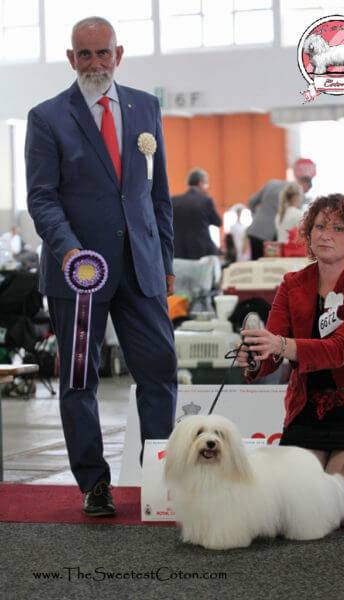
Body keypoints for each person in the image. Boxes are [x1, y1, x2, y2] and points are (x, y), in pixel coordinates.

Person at [25, 17, 177, 516]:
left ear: (119, 53)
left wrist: (167, 263)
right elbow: (42, 198)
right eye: (84, 54)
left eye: (103, 53)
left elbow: (158, 195)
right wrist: (70, 252)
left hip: (143, 269)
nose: (95, 63)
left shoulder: (146, 107)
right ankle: (94, 484)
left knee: (159, 372)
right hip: (79, 275)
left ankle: (159, 479)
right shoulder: (47, 117)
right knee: (79, 381)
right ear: (71, 59)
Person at [238, 193, 344, 522]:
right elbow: (273, 354)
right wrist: (256, 357)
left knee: (334, 512)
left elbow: (342, 348)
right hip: (308, 414)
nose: (325, 233)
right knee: (291, 511)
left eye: (338, 228)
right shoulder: (292, 284)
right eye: (320, 226)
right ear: (309, 234)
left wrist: (280, 345)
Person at [247, 176, 312, 260]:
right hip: (273, 239)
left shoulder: (271, 183)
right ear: (305, 185)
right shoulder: (297, 194)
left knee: (256, 266)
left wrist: (255, 217)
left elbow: (251, 201)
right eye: (306, 191)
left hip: (256, 230)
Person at [172, 168, 222, 259]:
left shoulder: (174, 201)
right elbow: (218, 222)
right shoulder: (205, 200)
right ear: (201, 183)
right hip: (201, 252)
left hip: (178, 252)